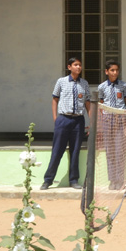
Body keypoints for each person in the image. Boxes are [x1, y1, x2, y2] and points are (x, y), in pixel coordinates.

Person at [40, 57, 93, 191]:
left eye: (80, 65)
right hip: (63, 119)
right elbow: (54, 99)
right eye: (75, 65)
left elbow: (87, 103)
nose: (78, 67)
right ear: (69, 67)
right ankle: (48, 180)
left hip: (78, 121)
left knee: (75, 151)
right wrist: (55, 118)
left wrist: (91, 121)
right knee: (57, 150)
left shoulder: (84, 84)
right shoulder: (61, 82)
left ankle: (73, 180)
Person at [96, 59, 126, 189]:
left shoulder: (123, 85)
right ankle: (112, 180)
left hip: (120, 119)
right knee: (110, 151)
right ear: (106, 71)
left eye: (116, 70)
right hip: (107, 120)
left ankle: (120, 179)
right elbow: (101, 104)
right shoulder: (102, 87)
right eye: (112, 70)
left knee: (119, 150)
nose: (114, 73)